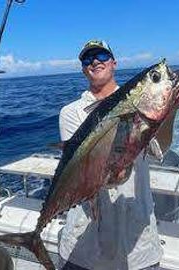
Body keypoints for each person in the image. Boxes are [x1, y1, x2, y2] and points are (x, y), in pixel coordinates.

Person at [58, 40, 163, 270]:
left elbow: (161, 147)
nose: (95, 61)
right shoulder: (70, 112)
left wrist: (168, 112)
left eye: (102, 56)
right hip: (82, 249)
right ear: (83, 68)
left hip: (138, 249)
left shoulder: (140, 103)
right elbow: (101, 175)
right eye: (88, 59)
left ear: (114, 63)